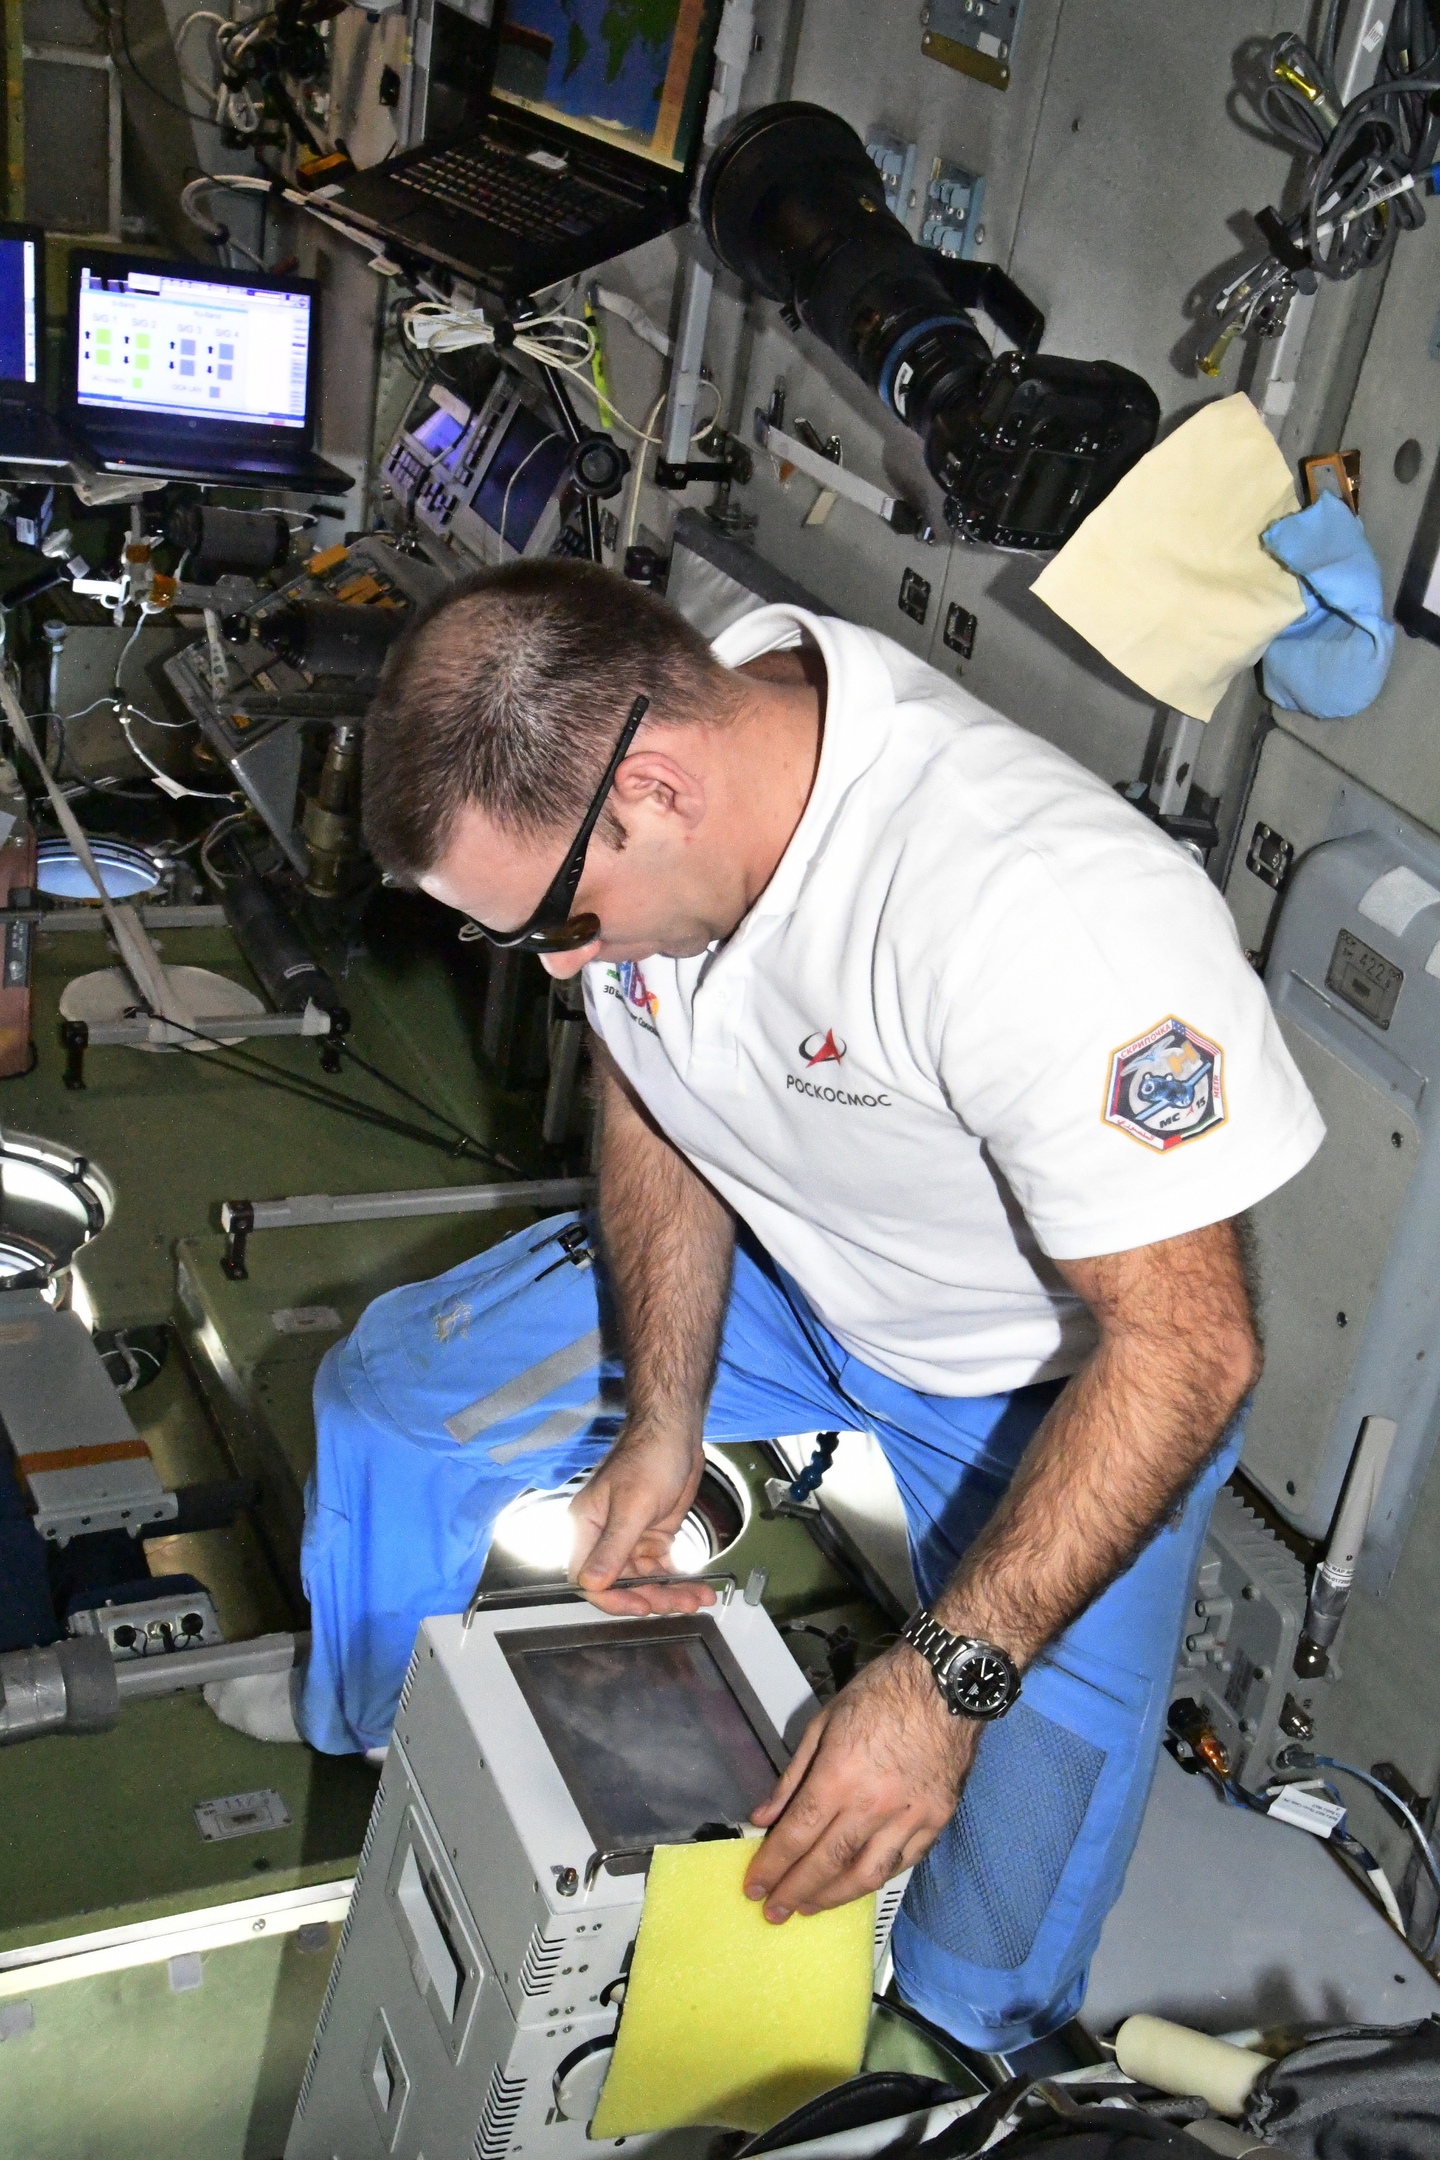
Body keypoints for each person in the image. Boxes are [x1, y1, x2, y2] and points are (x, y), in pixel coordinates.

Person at [296, 559, 1323, 2053]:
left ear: (655, 789)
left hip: (1046, 1390)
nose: (564, 962)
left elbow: (1193, 1350)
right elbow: (650, 1088)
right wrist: (666, 1415)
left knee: (991, 1957)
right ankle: (390, 1756)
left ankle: (949, 2040)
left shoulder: (1038, 912)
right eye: (523, 939)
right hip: (795, 1273)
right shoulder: (645, 812)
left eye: (562, 920)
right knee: (390, 1404)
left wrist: (944, 1684)